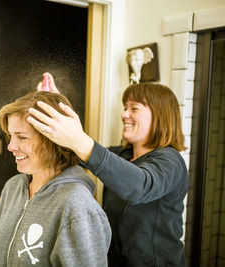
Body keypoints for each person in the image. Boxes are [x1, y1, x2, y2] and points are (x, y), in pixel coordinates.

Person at [29, 76, 189, 267]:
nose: (124, 115)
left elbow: (140, 186)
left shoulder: (171, 161)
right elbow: (80, 152)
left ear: (160, 116)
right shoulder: (121, 155)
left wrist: (79, 140)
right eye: (125, 107)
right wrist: (56, 107)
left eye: (134, 108)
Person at [0, 91, 111, 267]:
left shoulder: (77, 207)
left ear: (54, 140)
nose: (11, 146)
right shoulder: (12, 187)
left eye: (22, 137)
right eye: (11, 135)